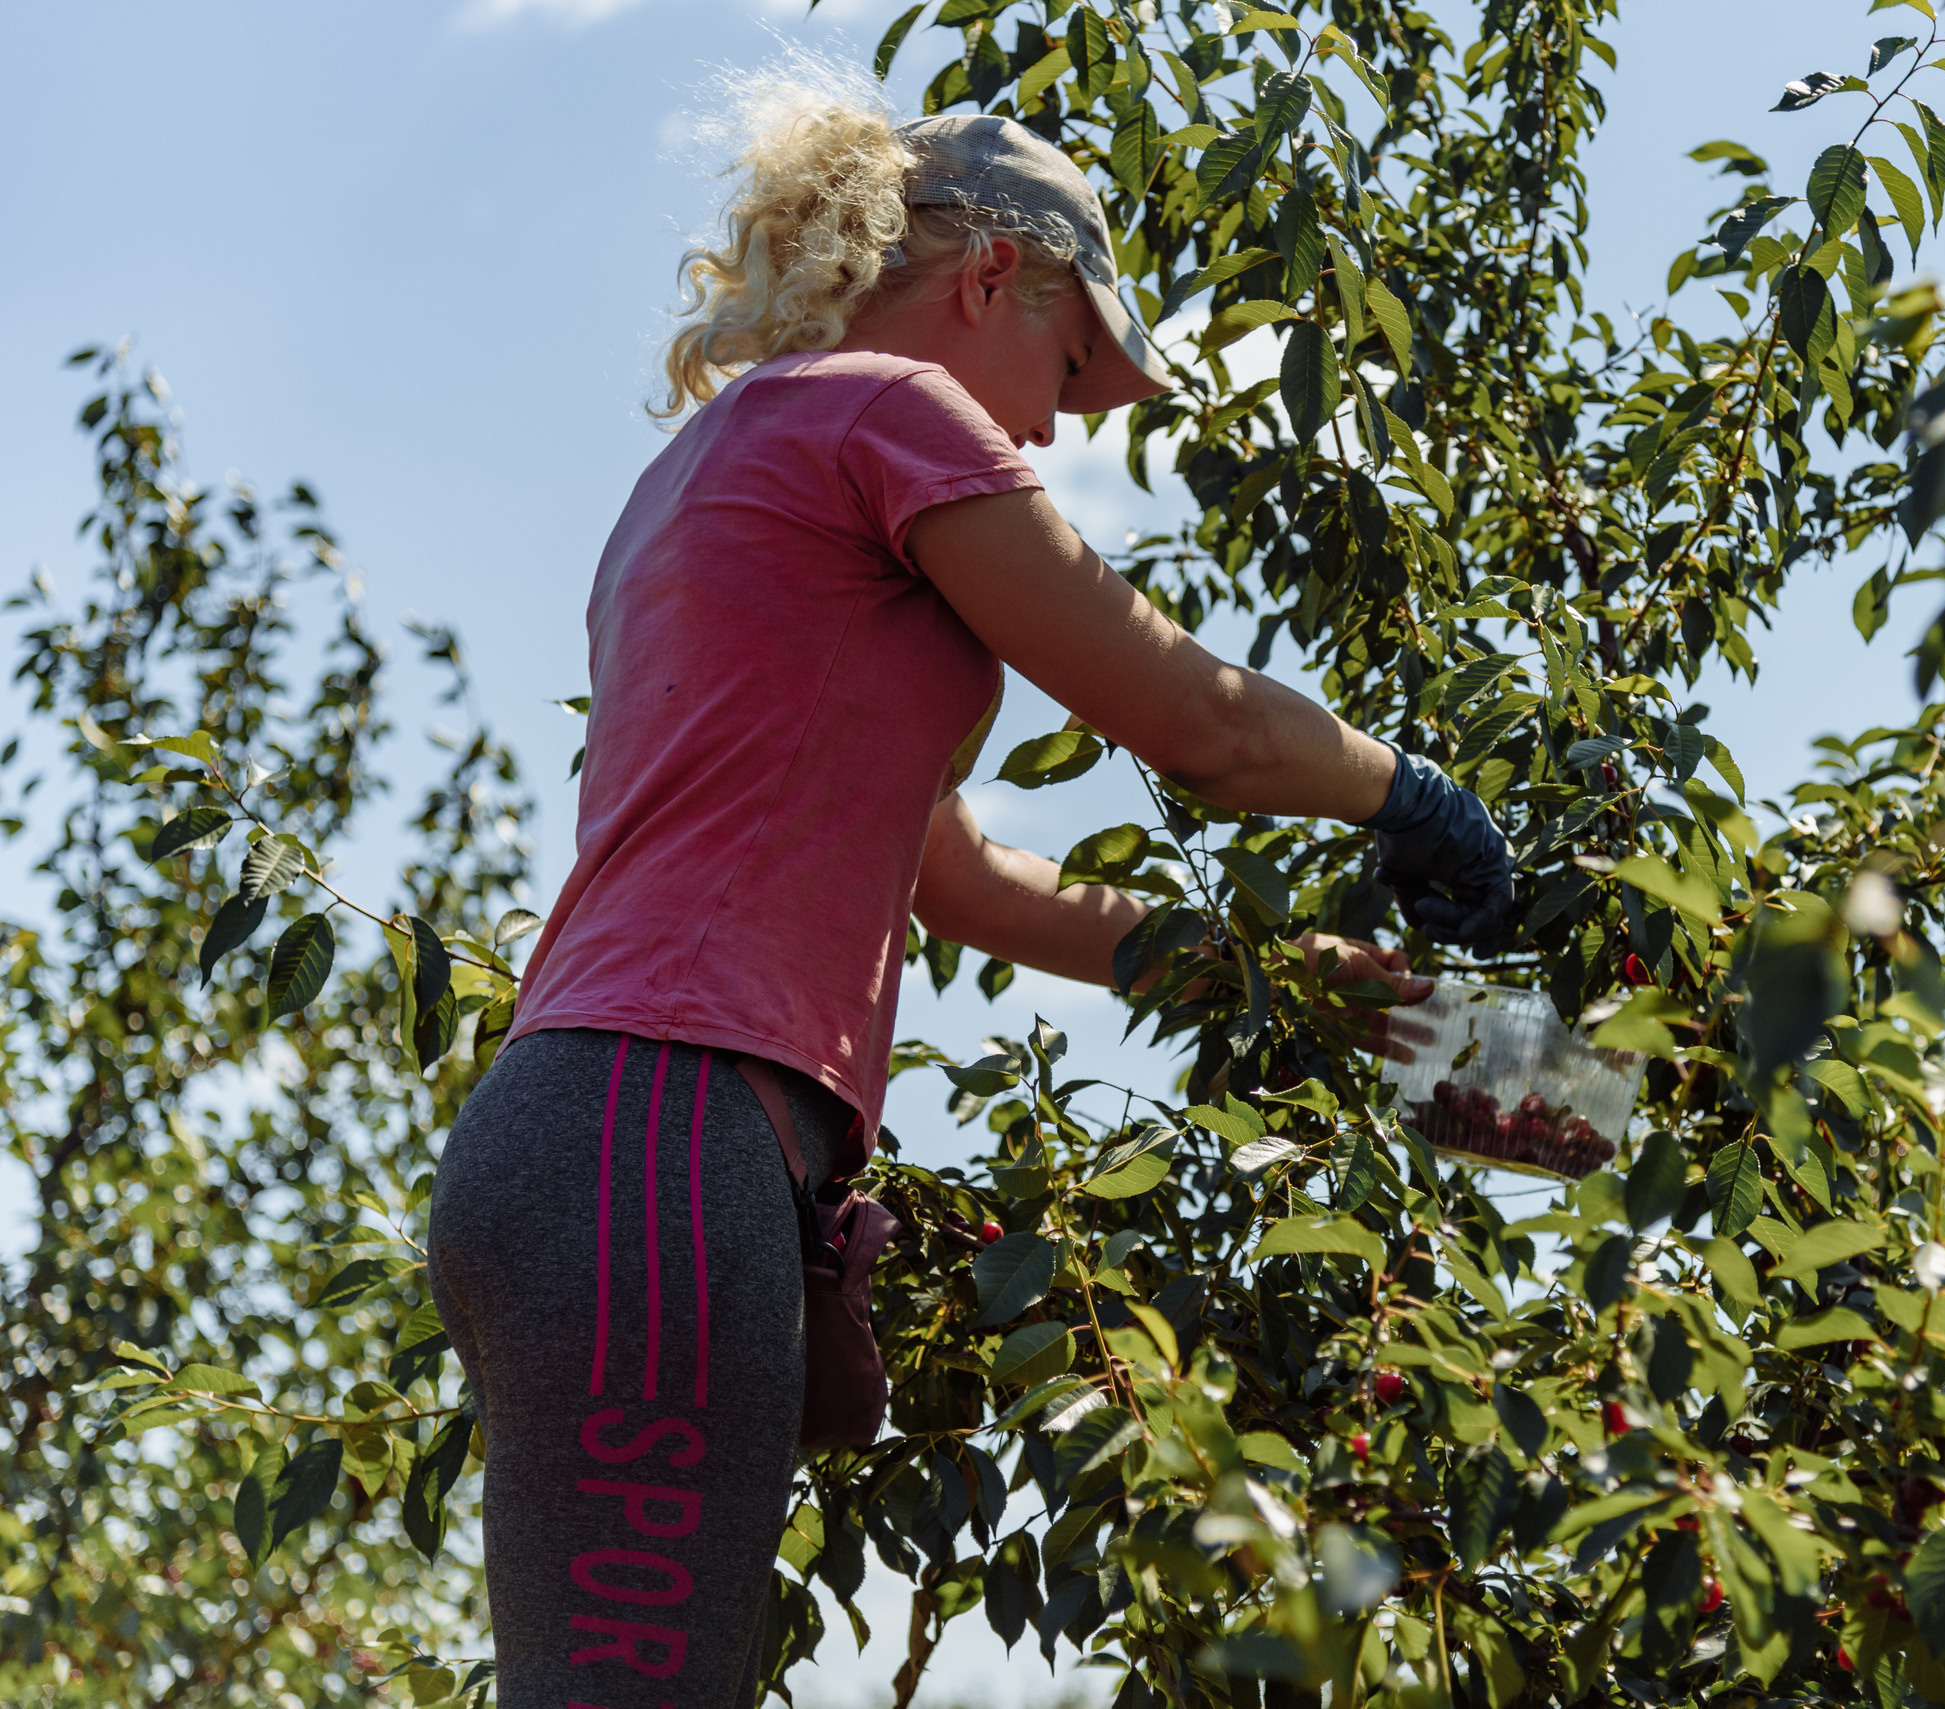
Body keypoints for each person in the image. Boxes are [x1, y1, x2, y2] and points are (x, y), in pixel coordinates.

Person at [426, 76, 1512, 1709]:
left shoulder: (718, 475)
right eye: (1074, 364)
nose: (1067, 425)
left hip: (597, 1139)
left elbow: (953, 876)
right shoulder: (877, 410)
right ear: (994, 274)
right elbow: (1201, 721)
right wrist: (1409, 791)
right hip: (660, 1130)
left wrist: (1282, 975)